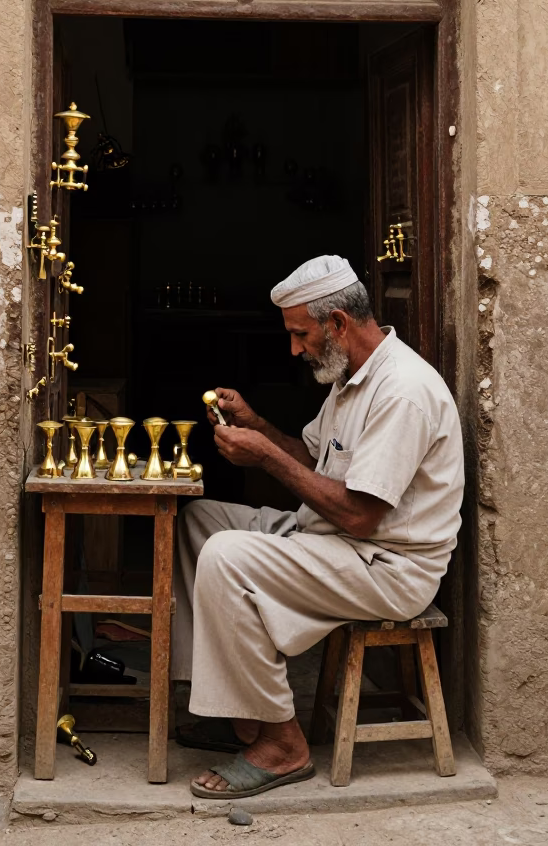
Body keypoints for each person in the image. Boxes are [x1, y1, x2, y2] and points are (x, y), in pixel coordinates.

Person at [172, 254, 465, 801]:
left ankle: (283, 746)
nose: (294, 348)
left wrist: (262, 457)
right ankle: (235, 712)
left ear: (338, 324)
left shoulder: (402, 391)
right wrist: (257, 426)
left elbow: (359, 514)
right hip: (336, 538)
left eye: (300, 334)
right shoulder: (352, 376)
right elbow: (311, 462)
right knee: (199, 519)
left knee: (228, 556)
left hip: (388, 566)